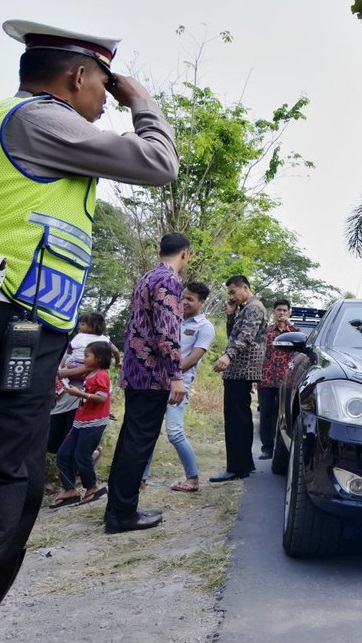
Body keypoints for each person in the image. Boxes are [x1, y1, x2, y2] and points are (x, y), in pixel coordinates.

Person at [0, 19, 177, 598]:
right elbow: (158, 163)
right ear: (78, 76)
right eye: (104, 86)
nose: (107, 99)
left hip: (31, 329)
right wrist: (144, 103)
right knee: (9, 477)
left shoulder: (34, 127)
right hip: (15, 326)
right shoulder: (39, 119)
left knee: (20, 481)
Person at [104, 233, 190, 534]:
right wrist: (176, 375)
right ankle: (122, 515)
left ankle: (117, 509)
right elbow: (166, 334)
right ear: (185, 254)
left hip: (136, 371)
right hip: (153, 375)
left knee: (130, 440)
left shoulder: (147, 277)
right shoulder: (168, 281)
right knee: (138, 443)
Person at [142, 282, 215, 493]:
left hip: (180, 384)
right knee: (149, 431)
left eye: (190, 299)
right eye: (183, 297)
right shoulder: (171, 319)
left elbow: (194, 358)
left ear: (201, 302)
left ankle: (192, 479)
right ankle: (141, 479)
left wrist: (171, 374)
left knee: (174, 432)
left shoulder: (205, 327)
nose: (184, 302)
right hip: (157, 382)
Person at [211, 275, 267, 482]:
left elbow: (245, 337)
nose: (231, 295)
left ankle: (236, 467)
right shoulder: (246, 308)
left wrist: (228, 355)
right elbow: (232, 335)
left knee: (236, 420)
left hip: (242, 369)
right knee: (240, 419)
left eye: (233, 291)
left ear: (245, 288)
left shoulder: (254, 308)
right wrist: (230, 314)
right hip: (239, 369)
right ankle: (243, 464)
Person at [48, 342, 113, 508]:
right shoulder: (90, 374)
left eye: (86, 356)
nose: (83, 358)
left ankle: (92, 487)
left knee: (82, 455)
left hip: (94, 422)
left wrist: (79, 394)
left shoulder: (101, 376)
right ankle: (69, 489)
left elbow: (101, 398)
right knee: (63, 453)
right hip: (80, 421)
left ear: (98, 358)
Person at [48, 312, 117, 455]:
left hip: (80, 391)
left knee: (69, 434)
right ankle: (81, 457)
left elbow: (100, 393)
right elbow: (66, 356)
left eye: (83, 324)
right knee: (56, 435)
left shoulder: (99, 362)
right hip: (67, 387)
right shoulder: (104, 340)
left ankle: (83, 459)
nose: (80, 326)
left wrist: (63, 373)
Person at [258, 298, 297, 460]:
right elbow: (259, 355)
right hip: (266, 380)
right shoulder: (267, 332)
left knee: (283, 416)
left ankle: (282, 449)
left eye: (284, 310)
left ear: (289, 313)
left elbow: (299, 347)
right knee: (266, 414)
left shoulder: (294, 332)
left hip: (286, 381)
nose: (281, 313)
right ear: (273, 312)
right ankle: (267, 448)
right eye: (279, 310)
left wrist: (290, 326)